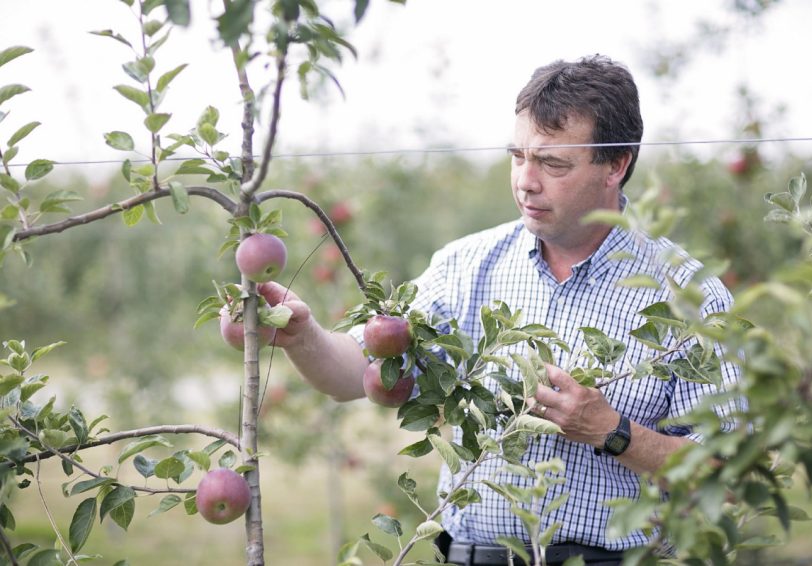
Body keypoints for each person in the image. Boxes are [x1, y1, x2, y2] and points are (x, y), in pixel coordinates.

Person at [262, 55, 741, 565]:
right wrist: (302, 334)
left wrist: (612, 431)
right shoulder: (466, 266)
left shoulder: (690, 297)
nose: (526, 181)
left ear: (616, 164)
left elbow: (727, 473)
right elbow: (359, 372)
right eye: (518, 156)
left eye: (553, 163)